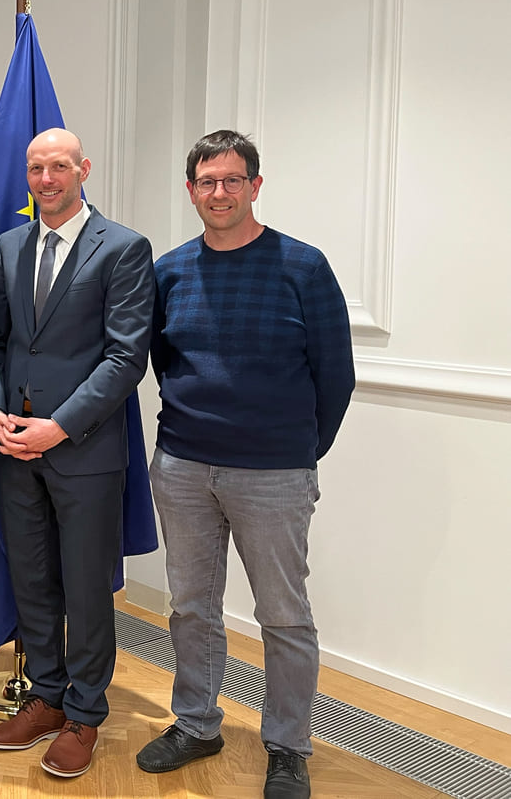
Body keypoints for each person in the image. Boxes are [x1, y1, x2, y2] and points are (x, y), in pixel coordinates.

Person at [136, 130, 354, 799]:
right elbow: (161, 361)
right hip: (183, 467)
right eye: (208, 182)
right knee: (192, 607)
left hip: (275, 475)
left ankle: (288, 746)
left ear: (255, 186)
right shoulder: (170, 269)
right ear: (191, 190)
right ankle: (197, 723)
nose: (220, 193)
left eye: (233, 180)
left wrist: (297, 452)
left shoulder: (302, 266)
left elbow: (335, 374)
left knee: (284, 614)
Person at [0, 128, 156, 778]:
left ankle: (85, 714)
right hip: (13, 446)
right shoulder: (11, 243)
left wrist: (60, 426)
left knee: (85, 589)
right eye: (35, 168)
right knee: (32, 580)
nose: (46, 178)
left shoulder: (125, 248)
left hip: (83, 450)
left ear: (83, 169)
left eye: (59, 166)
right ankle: (46, 697)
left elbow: (125, 356)